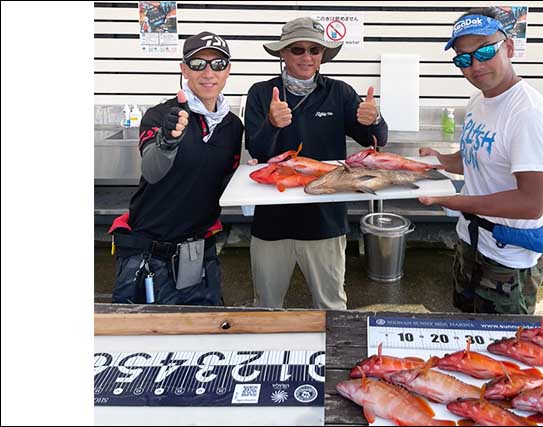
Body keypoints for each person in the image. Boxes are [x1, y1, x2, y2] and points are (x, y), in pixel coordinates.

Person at [418, 8, 543, 315]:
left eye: (484, 51)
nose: (475, 65)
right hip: (472, 242)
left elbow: (531, 202)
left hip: (508, 259)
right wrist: (442, 161)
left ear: (508, 48)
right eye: (463, 59)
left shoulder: (528, 114)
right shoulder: (479, 101)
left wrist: (457, 201)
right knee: (466, 332)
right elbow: (475, 160)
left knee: (500, 349)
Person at [245, 17, 389, 310]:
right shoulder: (261, 93)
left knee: (331, 307)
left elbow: (374, 142)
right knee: (266, 307)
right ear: (282, 53)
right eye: (297, 50)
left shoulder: (340, 92)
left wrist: (375, 119)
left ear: (323, 54)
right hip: (271, 221)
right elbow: (256, 151)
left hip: (325, 220)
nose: (307, 57)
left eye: (315, 50)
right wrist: (273, 124)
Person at [109, 31, 244, 306]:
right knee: (142, 339)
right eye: (198, 64)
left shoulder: (233, 126)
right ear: (184, 69)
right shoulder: (161, 116)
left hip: (199, 252)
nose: (208, 72)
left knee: (205, 332)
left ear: (228, 71)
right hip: (147, 253)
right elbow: (152, 169)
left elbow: (225, 182)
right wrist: (168, 140)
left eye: (218, 64)